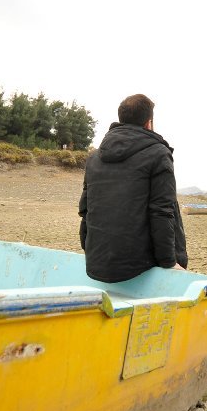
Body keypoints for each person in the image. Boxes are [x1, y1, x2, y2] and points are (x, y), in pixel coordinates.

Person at [78, 93, 188, 282]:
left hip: (97, 264)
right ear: (149, 123)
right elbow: (162, 211)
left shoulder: (94, 158)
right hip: (137, 266)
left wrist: (90, 252)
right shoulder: (158, 154)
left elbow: (86, 209)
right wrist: (169, 262)